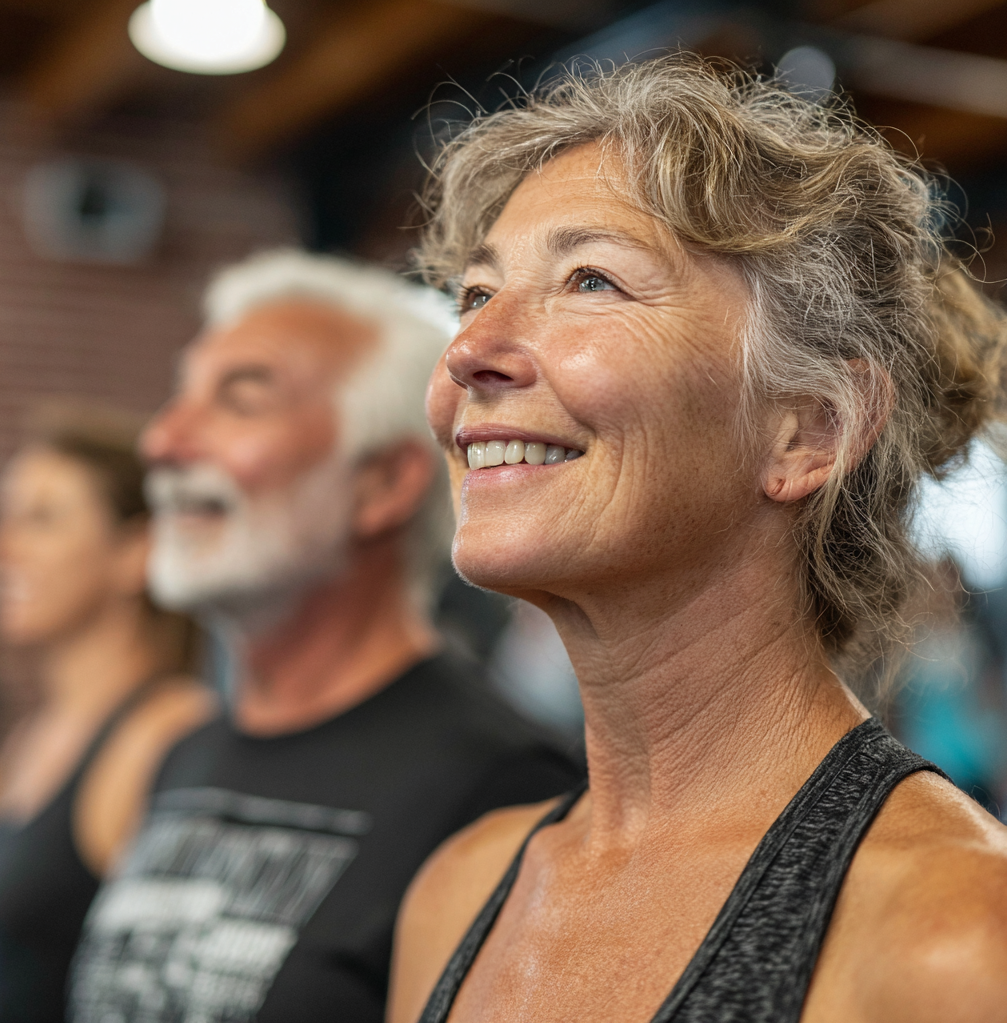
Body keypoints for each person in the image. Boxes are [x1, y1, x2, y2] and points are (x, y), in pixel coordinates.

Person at [387, 56, 1007, 1023]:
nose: (466, 350)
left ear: (808, 430)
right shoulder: (456, 894)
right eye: (475, 293)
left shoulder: (956, 936)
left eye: (589, 280)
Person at [68, 251, 581, 1023]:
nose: (164, 442)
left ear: (382, 484)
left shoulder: (500, 784)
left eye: (239, 400)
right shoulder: (188, 757)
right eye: (182, 398)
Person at [0, 405, 213, 1023]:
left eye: (42, 519)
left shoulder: (164, 732)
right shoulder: (37, 733)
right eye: (3, 519)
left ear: (136, 551)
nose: (2, 547)